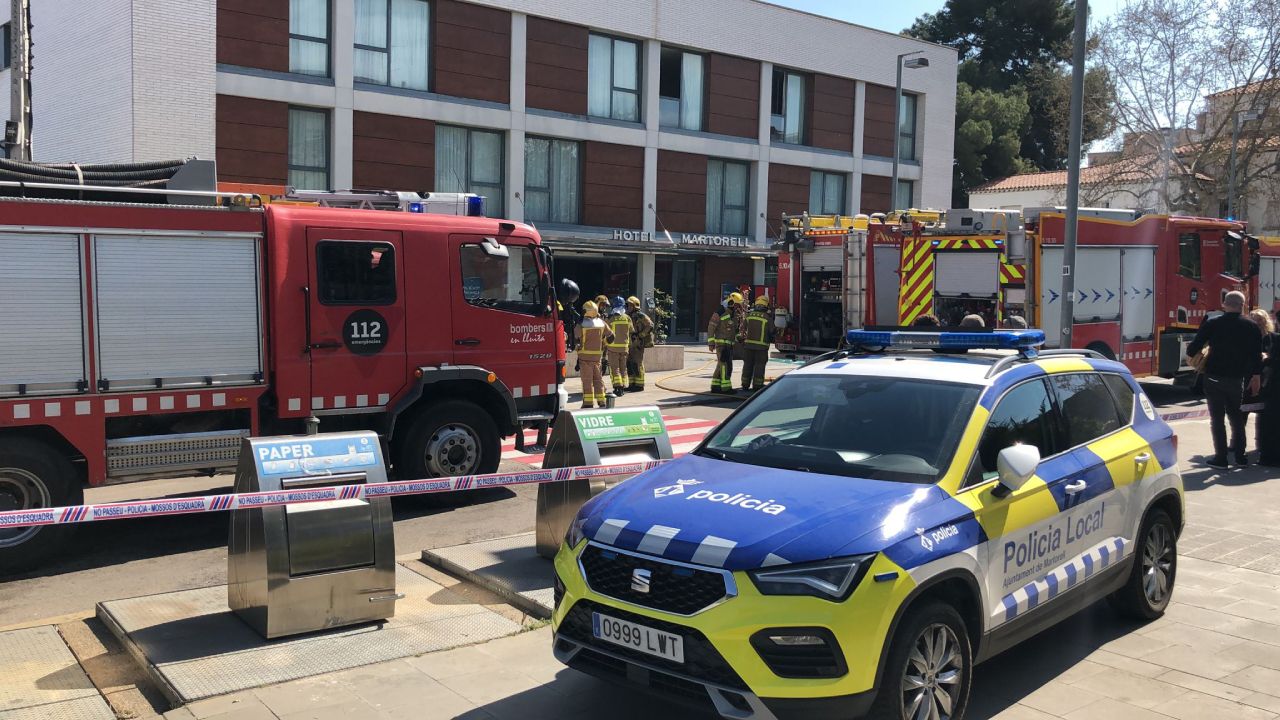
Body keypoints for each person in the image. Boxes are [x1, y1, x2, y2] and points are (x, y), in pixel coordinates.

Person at [1186, 290, 1263, 468]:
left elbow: (1193, 348)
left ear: (1225, 304)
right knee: (1236, 417)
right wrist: (1256, 376)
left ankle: (1220, 459)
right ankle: (1241, 457)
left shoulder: (1213, 323)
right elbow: (1256, 355)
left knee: (1217, 419)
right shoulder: (1251, 327)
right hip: (1237, 379)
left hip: (1214, 377)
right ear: (1242, 306)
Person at [1245, 308, 1275, 459]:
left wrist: (1266, 357)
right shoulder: (1247, 336)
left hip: (1264, 377)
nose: (1254, 322)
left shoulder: (1269, 338)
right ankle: (1238, 442)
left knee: (1261, 411)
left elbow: (1272, 355)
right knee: (1243, 410)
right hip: (1250, 374)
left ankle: (1259, 442)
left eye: (1257, 320)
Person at [575, 301, 611, 408]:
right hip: (597, 357)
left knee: (587, 381)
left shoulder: (581, 324)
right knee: (598, 379)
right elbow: (611, 337)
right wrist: (603, 344)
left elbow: (575, 338)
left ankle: (588, 403)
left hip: (584, 357)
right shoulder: (602, 323)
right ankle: (602, 401)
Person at [708, 293, 743, 393]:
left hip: (729, 344)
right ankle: (726, 388)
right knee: (725, 366)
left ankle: (715, 386)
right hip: (721, 344)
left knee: (721, 365)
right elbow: (711, 327)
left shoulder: (733, 313)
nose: (738, 307)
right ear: (731, 302)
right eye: (737, 304)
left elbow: (734, 330)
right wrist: (711, 343)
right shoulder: (720, 311)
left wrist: (740, 338)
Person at [741, 295, 773, 391]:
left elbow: (743, 328)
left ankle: (745, 384)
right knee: (759, 366)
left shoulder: (749, 316)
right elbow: (772, 331)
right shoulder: (767, 318)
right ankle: (757, 385)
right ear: (766, 306)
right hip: (761, 348)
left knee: (747, 365)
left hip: (748, 346)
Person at [625, 296, 654, 392]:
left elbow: (650, 325)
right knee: (629, 363)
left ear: (635, 306)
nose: (628, 306)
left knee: (637, 363)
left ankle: (639, 385)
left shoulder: (640, 315)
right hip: (629, 343)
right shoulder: (627, 315)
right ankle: (632, 383)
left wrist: (641, 335)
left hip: (638, 343)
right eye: (628, 305)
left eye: (630, 305)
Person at [605, 296, 633, 396]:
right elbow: (631, 330)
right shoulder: (628, 318)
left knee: (615, 368)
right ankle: (623, 386)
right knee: (623, 368)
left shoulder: (611, 318)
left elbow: (605, 331)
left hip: (613, 348)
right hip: (625, 348)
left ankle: (618, 387)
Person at [558, 279, 581, 352]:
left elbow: (575, 314)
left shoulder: (564, 305)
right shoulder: (557, 304)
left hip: (568, 323)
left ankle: (570, 345)